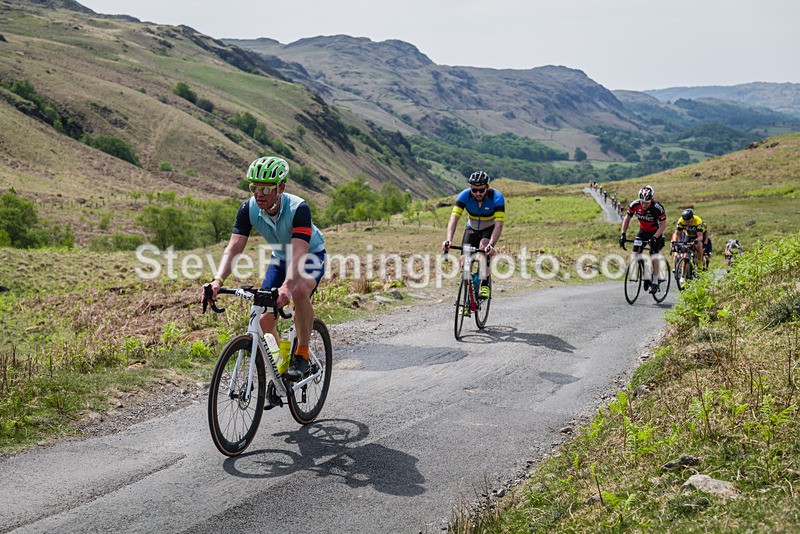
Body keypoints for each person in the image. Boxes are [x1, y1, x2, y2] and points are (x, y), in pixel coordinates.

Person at [206, 156, 326, 382]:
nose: (258, 194)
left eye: (265, 188)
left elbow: (299, 253)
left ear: (281, 187)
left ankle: (302, 354)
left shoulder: (298, 208)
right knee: (263, 318)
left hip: (309, 255)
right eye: (254, 187)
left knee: (300, 291)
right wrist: (217, 280)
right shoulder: (248, 208)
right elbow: (234, 248)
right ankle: (280, 367)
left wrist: (286, 287)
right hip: (281, 257)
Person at [442, 171, 505, 299]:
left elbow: (499, 224)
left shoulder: (497, 198)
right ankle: (468, 297)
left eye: (481, 190)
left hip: (489, 228)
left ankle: (485, 283)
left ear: (487, 187)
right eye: (474, 190)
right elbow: (453, 219)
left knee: (483, 250)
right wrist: (448, 240)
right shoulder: (464, 196)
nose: (478, 194)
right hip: (471, 228)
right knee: (465, 262)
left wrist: (491, 245)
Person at [619, 185, 668, 294]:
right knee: (635, 253)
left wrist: (655, 237)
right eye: (642, 202)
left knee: (653, 255)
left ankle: (655, 281)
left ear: (652, 199)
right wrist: (623, 234)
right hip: (643, 232)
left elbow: (663, 225)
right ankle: (646, 272)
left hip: (656, 233)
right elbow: (627, 219)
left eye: (647, 202)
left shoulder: (657, 207)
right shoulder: (635, 204)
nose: (644, 204)